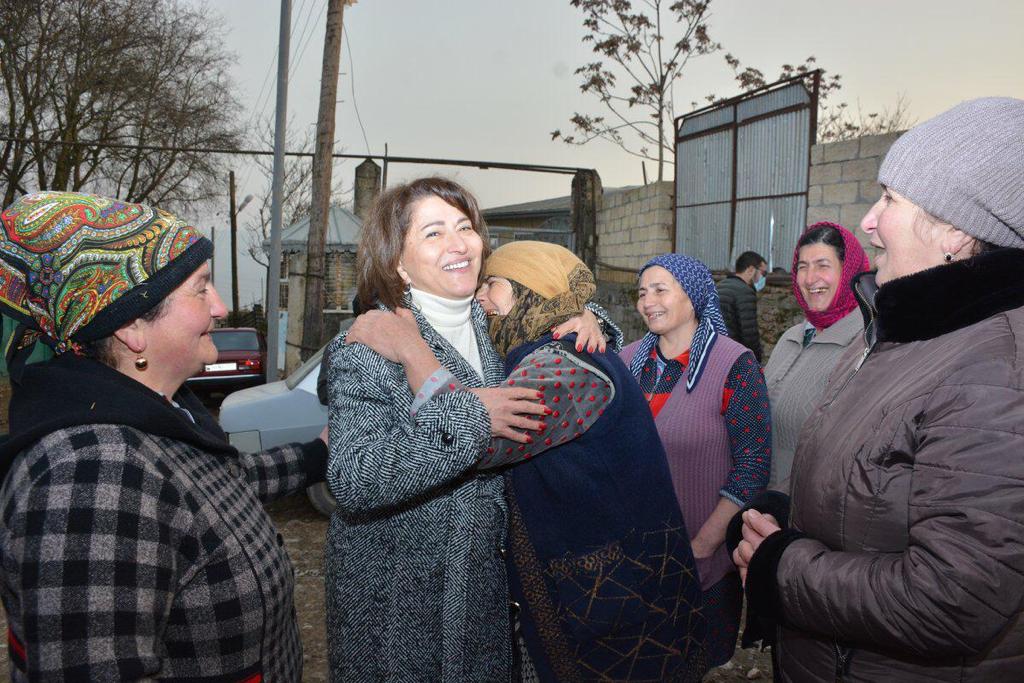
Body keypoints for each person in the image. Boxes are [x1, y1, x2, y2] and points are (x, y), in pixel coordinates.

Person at [732, 97, 1024, 681]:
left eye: (890, 199)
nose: (868, 220)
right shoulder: (896, 331)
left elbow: (952, 600)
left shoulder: (995, 370)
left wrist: (781, 566)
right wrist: (795, 510)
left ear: (957, 232)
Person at [0, 191, 329, 680]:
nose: (220, 307)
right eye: (201, 289)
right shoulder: (91, 476)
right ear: (132, 325)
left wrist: (317, 455)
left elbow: (209, 492)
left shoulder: (155, 412)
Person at [323, 178, 604, 681]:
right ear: (397, 263)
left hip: (488, 590)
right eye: (433, 233)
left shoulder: (488, 317)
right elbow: (354, 477)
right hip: (403, 604)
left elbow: (551, 320)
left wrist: (587, 316)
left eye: (464, 227)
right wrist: (473, 417)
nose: (457, 244)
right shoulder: (369, 346)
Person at [479, 242, 707, 682]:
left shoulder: (564, 366)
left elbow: (478, 441)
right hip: (608, 596)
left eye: (493, 284)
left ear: (532, 290)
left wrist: (411, 356)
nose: (481, 298)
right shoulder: (550, 351)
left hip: (615, 608)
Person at [621, 253, 771, 669]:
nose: (647, 300)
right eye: (641, 292)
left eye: (660, 290)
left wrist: (704, 545)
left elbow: (753, 465)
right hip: (634, 554)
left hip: (700, 558)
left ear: (693, 296)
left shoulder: (733, 365)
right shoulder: (626, 361)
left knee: (687, 663)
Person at [762, 222, 870, 492]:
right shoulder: (790, 338)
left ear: (848, 271)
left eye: (823, 265)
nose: (810, 279)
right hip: (759, 506)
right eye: (802, 266)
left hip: (808, 512)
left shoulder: (865, 345)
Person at [716, 250, 766, 361]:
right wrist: (755, 361)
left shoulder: (720, 286)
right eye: (763, 273)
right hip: (732, 355)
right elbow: (749, 333)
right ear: (751, 270)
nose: (764, 278)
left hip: (714, 351)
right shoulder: (745, 292)